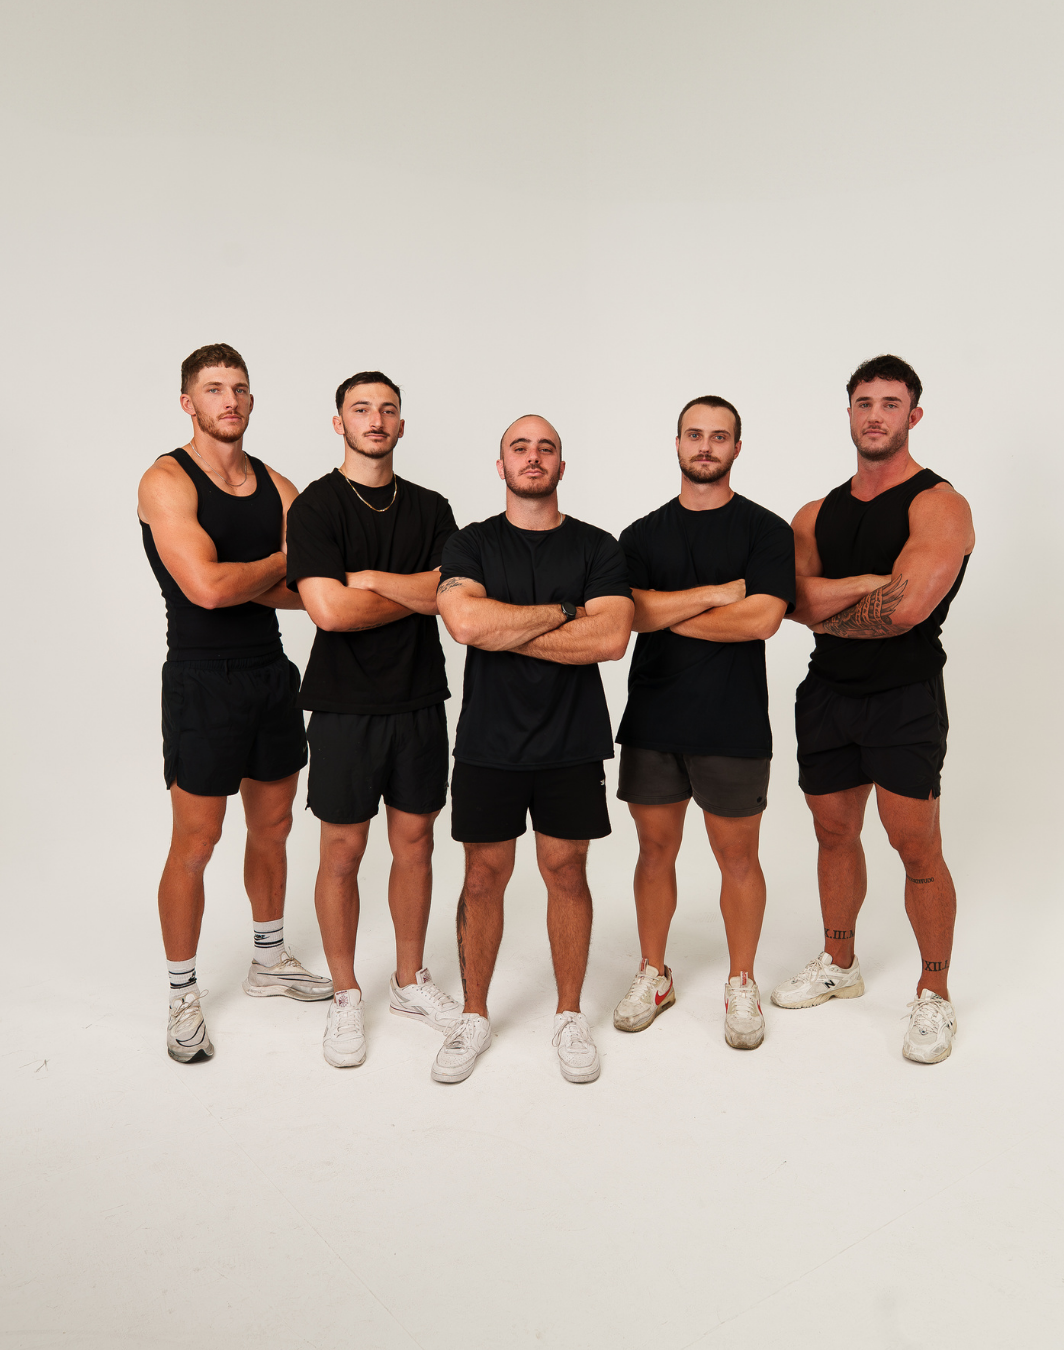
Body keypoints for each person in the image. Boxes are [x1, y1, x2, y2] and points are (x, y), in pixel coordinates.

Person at [772, 354, 974, 1064]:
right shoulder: (814, 513)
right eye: (865, 403)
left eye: (891, 404)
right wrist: (869, 585)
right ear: (849, 413)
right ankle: (840, 963)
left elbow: (909, 610)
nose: (877, 415)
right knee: (833, 833)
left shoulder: (939, 504)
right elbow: (786, 604)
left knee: (914, 845)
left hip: (904, 698)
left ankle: (935, 991)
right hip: (826, 694)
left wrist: (826, 601)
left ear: (913, 416)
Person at [139, 343, 330, 1064]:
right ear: (188, 403)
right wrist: (285, 565)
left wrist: (284, 576)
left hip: (267, 671)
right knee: (196, 840)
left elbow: (308, 593)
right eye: (214, 389)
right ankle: (183, 994)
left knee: (275, 824)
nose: (230, 400)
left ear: (252, 402)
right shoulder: (166, 480)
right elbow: (208, 589)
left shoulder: (277, 485)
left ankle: (269, 959)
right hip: (201, 676)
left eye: (240, 388)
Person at [435, 415, 634, 1084]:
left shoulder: (597, 547)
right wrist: (565, 611)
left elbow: (610, 641)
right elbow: (464, 622)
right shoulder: (470, 543)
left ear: (561, 465)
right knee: (482, 878)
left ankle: (569, 1015)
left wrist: (506, 626)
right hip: (489, 743)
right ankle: (473, 1015)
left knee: (566, 874)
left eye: (545, 447)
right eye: (519, 447)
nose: (532, 457)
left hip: (571, 742)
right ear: (501, 466)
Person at [286, 371, 463, 1069]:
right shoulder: (316, 507)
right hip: (341, 705)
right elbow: (327, 611)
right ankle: (344, 992)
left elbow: (452, 597)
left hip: (418, 699)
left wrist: (373, 581)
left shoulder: (431, 507)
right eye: (361, 409)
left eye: (388, 408)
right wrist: (414, 592)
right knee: (343, 852)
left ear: (401, 424)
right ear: (340, 423)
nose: (376, 419)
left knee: (415, 842)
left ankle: (410, 982)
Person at [613, 396, 795, 1049]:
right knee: (654, 851)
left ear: (737, 448)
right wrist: (719, 594)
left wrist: (666, 610)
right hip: (653, 722)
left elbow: (764, 620)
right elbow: (627, 616)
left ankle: (740, 980)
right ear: (677, 442)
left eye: (720, 437)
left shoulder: (767, 533)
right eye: (696, 434)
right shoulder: (639, 537)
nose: (706, 446)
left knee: (737, 858)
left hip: (734, 723)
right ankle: (652, 972)